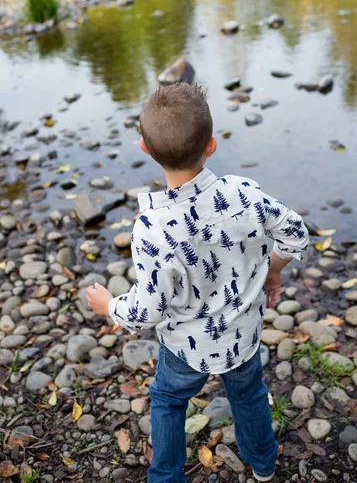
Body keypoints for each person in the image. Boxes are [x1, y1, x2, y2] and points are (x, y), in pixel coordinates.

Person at [87, 82, 309, 483]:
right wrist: (273, 268)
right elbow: (296, 232)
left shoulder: (152, 229)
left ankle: (166, 478)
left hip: (186, 346)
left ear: (144, 148)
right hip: (243, 334)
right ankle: (263, 464)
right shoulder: (244, 193)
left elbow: (148, 310)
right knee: (249, 396)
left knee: (169, 399)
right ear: (211, 145)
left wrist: (109, 307)